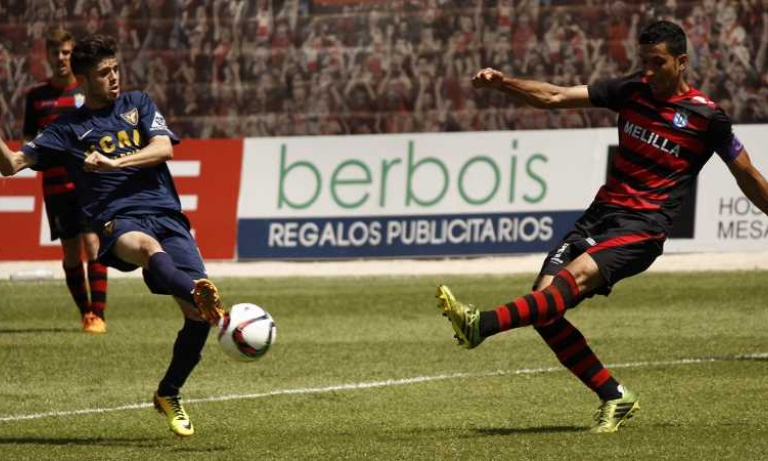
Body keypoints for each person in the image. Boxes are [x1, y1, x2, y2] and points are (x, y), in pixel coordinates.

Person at [436, 20, 768, 433]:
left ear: (681, 62)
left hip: (644, 226)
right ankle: (615, 396)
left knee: (569, 282)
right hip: (600, 215)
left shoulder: (707, 117)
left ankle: (481, 324)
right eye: (644, 61)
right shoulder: (630, 90)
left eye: (658, 62)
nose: (648, 70)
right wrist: (504, 84)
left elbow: (746, 174)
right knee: (545, 306)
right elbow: (556, 96)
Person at [0, 34, 226, 438]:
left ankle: (168, 392)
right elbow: (12, 164)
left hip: (167, 215)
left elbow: (164, 149)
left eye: (116, 69)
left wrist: (114, 162)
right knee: (148, 249)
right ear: (84, 80)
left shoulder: (138, 104)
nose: (115, 78)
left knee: (196, 320)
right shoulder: (67, 129)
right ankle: (204, 300)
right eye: (105, 73)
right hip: (116, 221)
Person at [22, 28, 109, 334]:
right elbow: (28, 140)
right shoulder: (36, 97)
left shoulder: (87, 92)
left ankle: (99, 314)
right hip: (55, 187)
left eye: (66, 52)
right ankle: (86, 313)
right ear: (47, 55)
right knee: (71, 252)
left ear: (73, 55)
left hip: (88, 185)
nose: (61, 58)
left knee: (94, 245)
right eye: (55, 52)